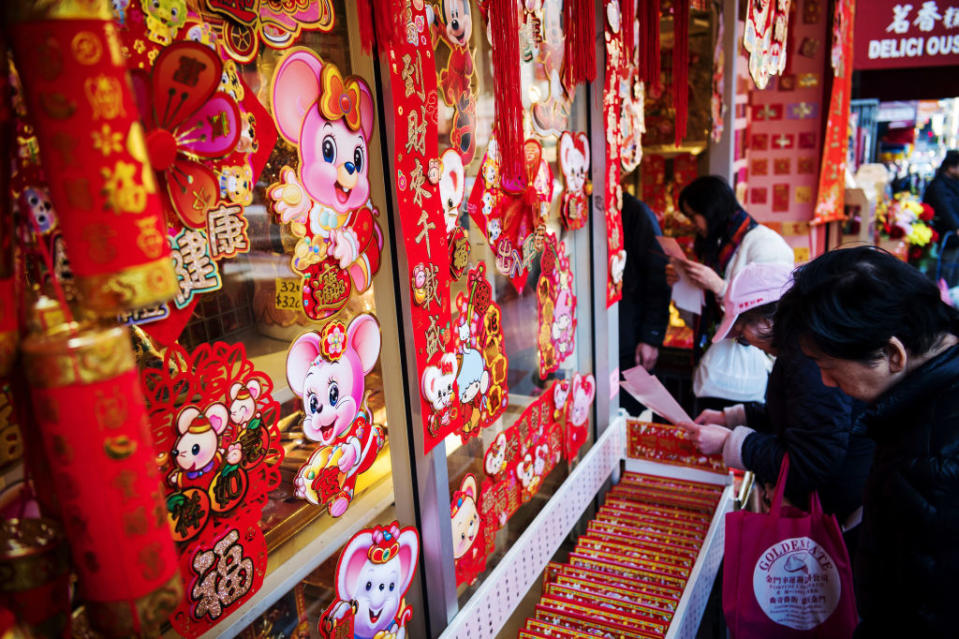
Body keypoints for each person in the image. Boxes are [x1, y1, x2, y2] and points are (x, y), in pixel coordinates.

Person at [773, 246, 959, 637]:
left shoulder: (930, 464)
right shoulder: (923, 402)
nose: (825, 381)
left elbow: (919, 613)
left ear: (892, 353)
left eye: (827, 366)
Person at [679, 262, 873, 551]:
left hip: (840, 515)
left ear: (768, 321)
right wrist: (728, 417)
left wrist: (731, 443)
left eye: (744, 334)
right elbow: (793, 416)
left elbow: (813, 460)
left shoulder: (808, 360)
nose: (747, 342)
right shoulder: (798, 349)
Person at [667, 176, 793, 408]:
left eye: (694, 216)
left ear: (712, 209)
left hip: (746, 377)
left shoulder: (765, 244)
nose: (692, 224)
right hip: (712, 367)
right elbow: (700, 317)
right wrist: (681, 286)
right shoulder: (715, 246)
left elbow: (770, 318)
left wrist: (718, 286)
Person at [619, 193, 671, 375]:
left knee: (629, 400)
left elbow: (658, 275)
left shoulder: (633, 211)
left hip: (630, 339)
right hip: (590, 336)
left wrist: (651, 336)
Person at [923, 149, 959, 237]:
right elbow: (946, 208)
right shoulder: (939, 186)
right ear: (951, 168)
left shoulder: (952, 182)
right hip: (945, 235)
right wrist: (957, 226)